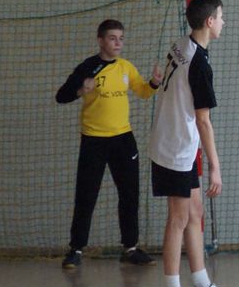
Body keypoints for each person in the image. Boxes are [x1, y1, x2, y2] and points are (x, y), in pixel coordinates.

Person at [149, 0, 239, 287]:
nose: (224, 22)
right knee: (177, 218)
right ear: (209, 22)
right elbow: (204, 120)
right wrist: (215, 167)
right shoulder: (199, 64)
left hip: (178, 143)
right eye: (221, 17)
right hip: (174, 148)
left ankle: (201, 285)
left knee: (195, 211)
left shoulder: (182, 44)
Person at [56, 19, 161, 268]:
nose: (118, 43)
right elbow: (61, 96)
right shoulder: (87, 67)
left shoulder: (126, 67)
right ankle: (76, 249)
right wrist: (81, 90)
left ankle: (130, 248)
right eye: (112, 38)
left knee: (129, 194)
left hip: (123, 140)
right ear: (100, 40)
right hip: (93, 140)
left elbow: (143, 91)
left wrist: (154, 82)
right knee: (86, 195)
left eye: (121, 39)